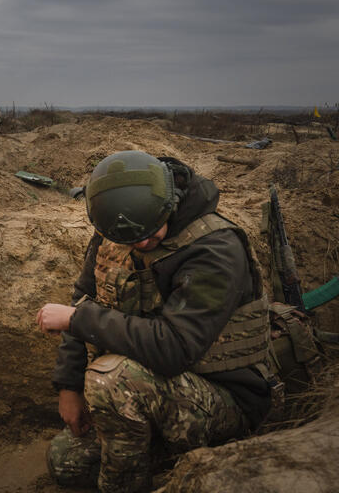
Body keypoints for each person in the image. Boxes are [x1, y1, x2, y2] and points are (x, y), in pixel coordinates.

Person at [35, 150, 274, 492]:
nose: (142, 243)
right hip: (158, 387)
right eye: (131, 239)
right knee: (67, 462)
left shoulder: (215, 248)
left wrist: (78, 319)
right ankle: (164, 455)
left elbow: (174, 347)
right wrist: (69, 387)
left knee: (112, 381)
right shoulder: (122, 223)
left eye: (149, 233)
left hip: (227, 395)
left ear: (170, 204)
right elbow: (86, 297)